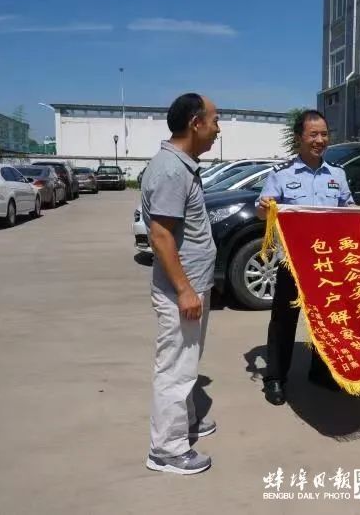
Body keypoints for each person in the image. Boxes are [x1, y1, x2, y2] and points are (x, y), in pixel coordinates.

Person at [142, 93, 220, 475]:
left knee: (186, 363)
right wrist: (185, 290)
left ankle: (185, 422)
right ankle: (166, 450)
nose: (217, 129)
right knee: (175, 367)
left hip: (191, 284)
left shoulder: (182, 166)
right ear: (195, 123)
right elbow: (160, 236)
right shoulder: (171, 170)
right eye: (215, 120)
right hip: (181, 290)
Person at [256, 110, 356, 406]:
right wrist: (265, 208)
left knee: (326, 319)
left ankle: (321, 371)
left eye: (324, 134)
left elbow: (348, 210)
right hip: (292, 262)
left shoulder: (337, 174)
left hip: (327, 263)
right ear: (299, 137)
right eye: (313, 134)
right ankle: (275, 378)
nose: (320, 140)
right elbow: (263, 212)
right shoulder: (282, 173)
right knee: (284, 321)